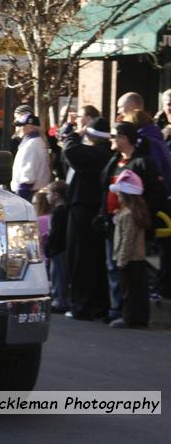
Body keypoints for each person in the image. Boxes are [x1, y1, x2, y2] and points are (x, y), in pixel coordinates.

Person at [100, 122, 168, 321]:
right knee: (114, 266)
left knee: (130, 267)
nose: (111, 140)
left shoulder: (142, 163)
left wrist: (144, 219)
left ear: (124, 138)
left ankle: (131, 312)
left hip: (132, 223)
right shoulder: (115, 162)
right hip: (114, 220)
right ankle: (117, 307)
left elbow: (157, 194)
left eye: (115, 136)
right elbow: (104, 184)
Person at [61, 116, 113, 320]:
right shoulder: (106, 153)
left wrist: (77, 133)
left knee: (81, 258)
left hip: (84, 209)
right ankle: (98, 304)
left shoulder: (96, 153)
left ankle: (81, 305)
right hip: (93, 209)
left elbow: (70, 150)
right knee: (96, 261)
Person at [107, 170, 151, 328]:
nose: (117, 197)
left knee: (129, 291)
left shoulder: (128, 215)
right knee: (137, 289)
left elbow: (127, 239)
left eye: (119, 194)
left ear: (125, 195)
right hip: (136, 257)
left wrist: (121, 259)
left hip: (128, 258)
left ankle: (129, 317)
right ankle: (139, 317)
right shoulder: (133, 213)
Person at [10, 112, 51, 201]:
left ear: (31, 127)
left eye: (22, 126)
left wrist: (22, 196)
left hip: (28, 192)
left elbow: (28, 173)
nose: (18, 129)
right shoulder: (33, 142)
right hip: (32, 192)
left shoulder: (32, 144)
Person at [42, 181, 69, 313]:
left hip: (58, 248)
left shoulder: (60, 212)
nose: (47, 197)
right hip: (58, 248)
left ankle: (60, 301)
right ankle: (58, 298)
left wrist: (49, 245)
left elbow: (56, 232)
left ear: (56, 195)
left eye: (49, 193)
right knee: (56, 273)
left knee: (58, 274)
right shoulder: (62, 211)